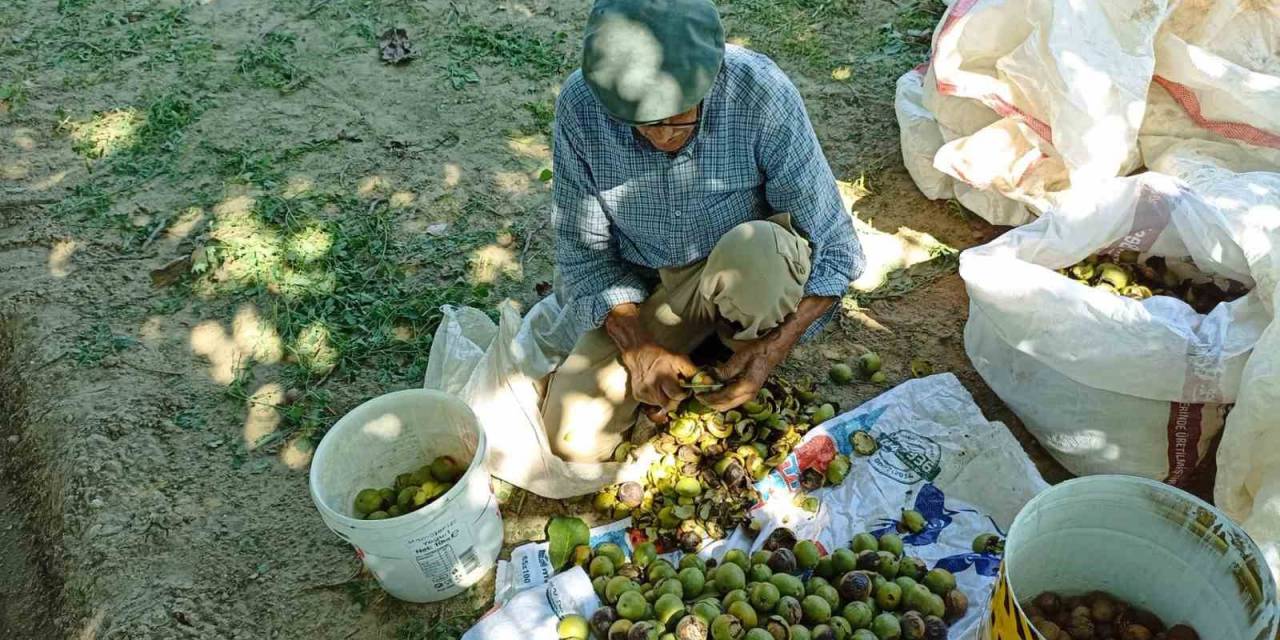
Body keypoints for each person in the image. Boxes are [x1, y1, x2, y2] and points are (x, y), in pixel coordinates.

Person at [542, 0, 864, 463]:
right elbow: (584, 255)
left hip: (742, 270)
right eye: (641, 123)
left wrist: (770, 352)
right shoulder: (582, 106)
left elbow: (834, 247)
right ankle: (699, 347)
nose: (661, 137)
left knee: (760, 255)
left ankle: (738, 343)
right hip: (648, 286)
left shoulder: (759, 92)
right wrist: (638, 347)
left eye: (677, 117)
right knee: (572, 436)